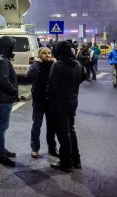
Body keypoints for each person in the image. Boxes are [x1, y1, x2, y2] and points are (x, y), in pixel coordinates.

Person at [48, 40, 87, 172]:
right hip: (73, 100)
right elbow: (84, 76)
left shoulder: (58, 65)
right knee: (71, 130)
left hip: (60, 102)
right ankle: (76, 160)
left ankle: (66, 163)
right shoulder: (77, 63)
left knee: (63, 133)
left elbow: (51, 86)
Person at [0, 37, 19, 167]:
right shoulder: (3, 61)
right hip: (4, 98)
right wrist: (14, 91)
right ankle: (0, 154)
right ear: (7, 46)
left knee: (0, 125)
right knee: (2, 126)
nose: (13, 48)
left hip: (2, 97)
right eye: (12, 46)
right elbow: (4, 80)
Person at [27, 47, 58, 158]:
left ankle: (52, 148)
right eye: (44, 53)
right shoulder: (36, 65)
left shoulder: (54, 65)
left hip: (51, 101)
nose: (47, 55)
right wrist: (37, 63)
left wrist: (56, 63)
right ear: (40, 56)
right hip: (38, 101)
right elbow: (30, 74)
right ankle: (35, 148)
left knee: (51, 126)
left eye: (49, 53)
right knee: (36, 125)